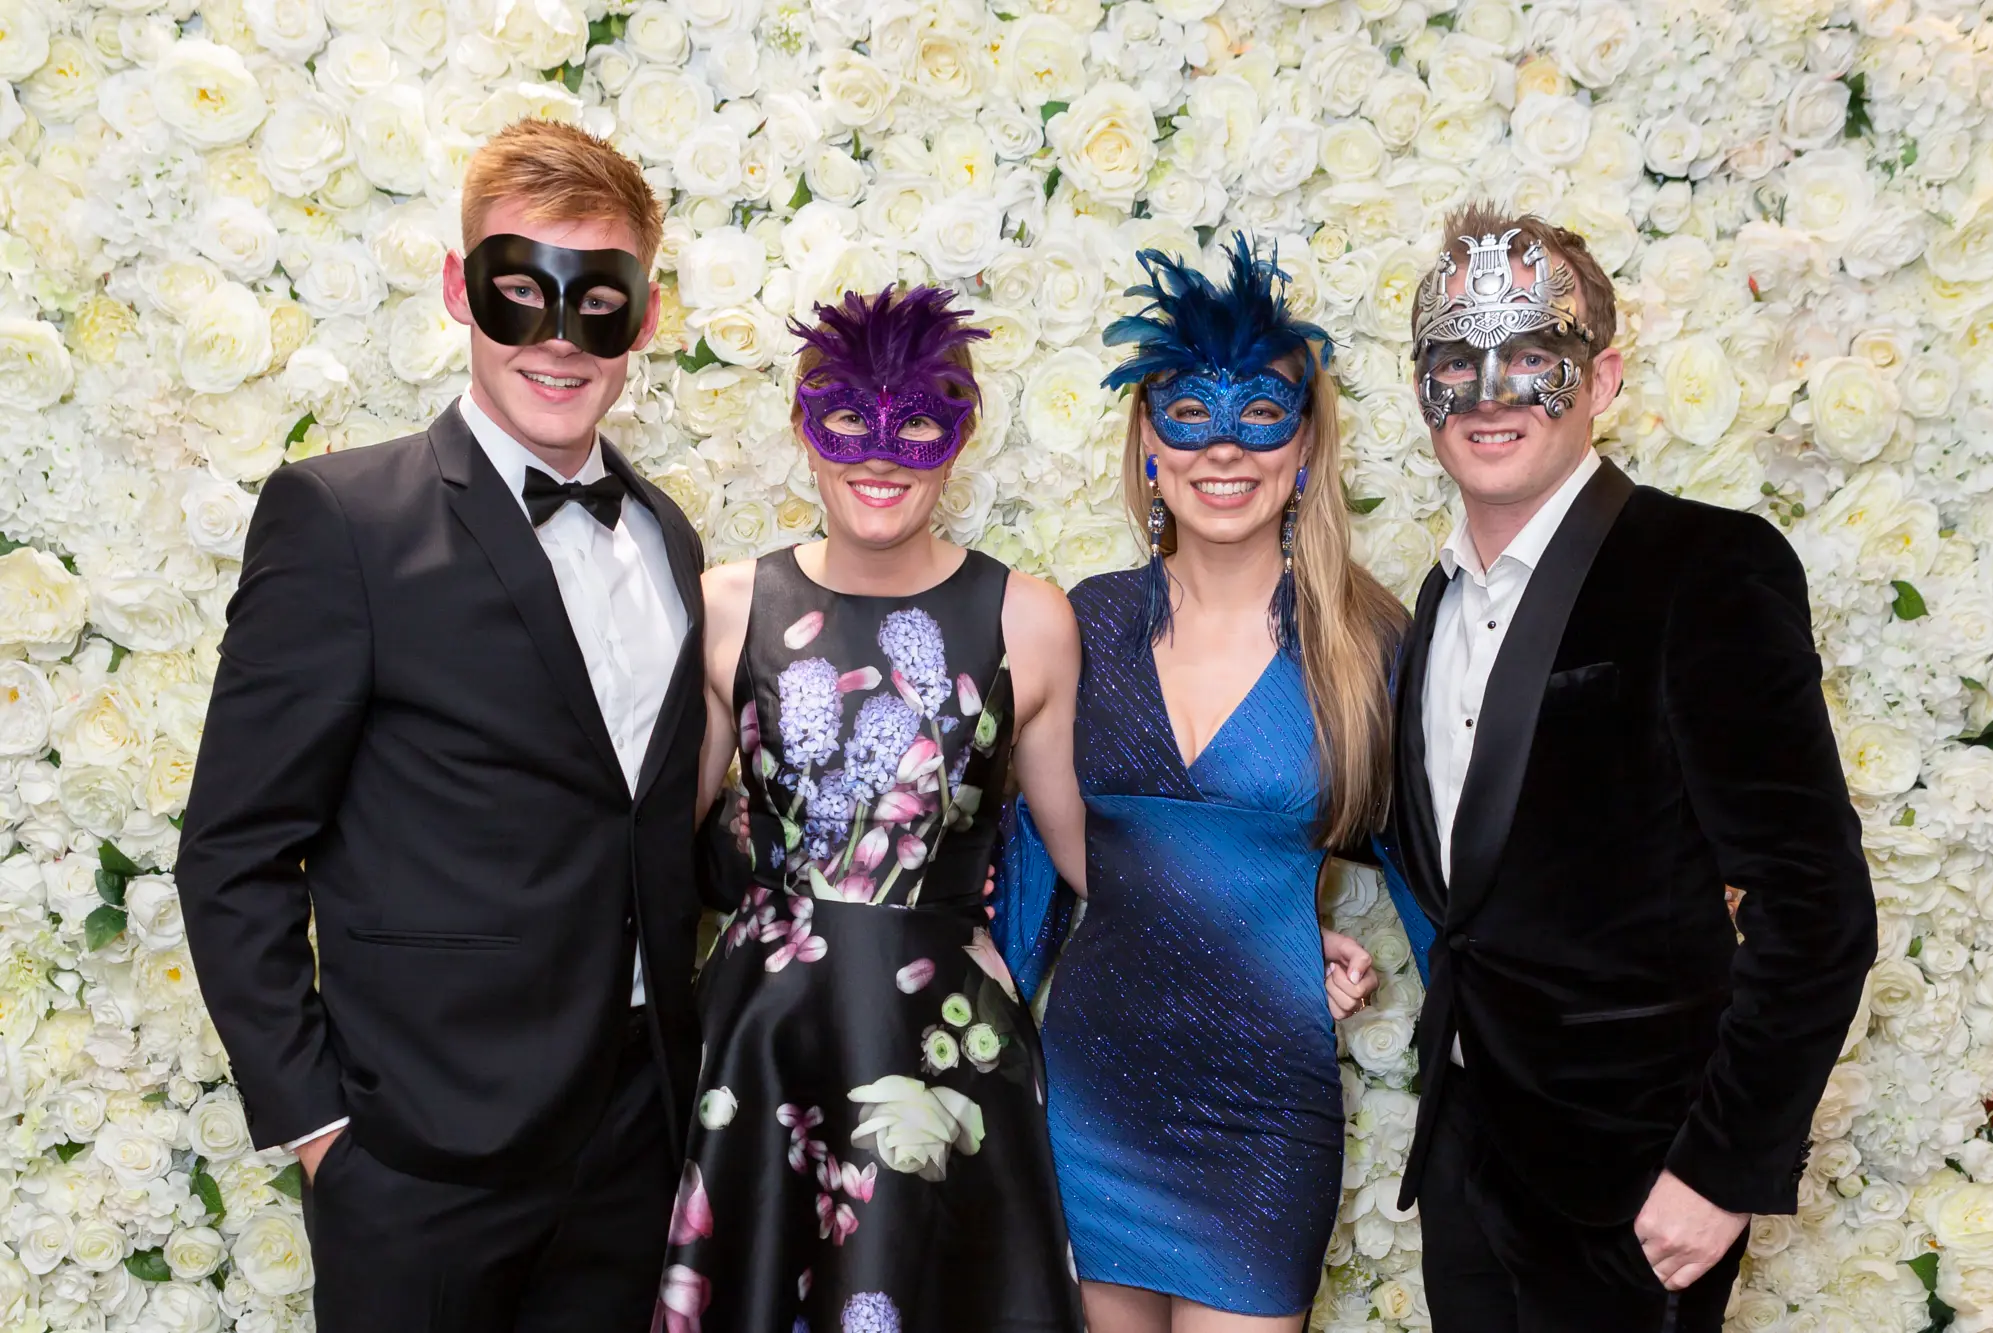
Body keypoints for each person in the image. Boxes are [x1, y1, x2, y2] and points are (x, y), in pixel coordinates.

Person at [177, 120, 706, 1332]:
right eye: (523, 295)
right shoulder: (342, 520)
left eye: (598, 302)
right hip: (420, 1164)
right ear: (462, 291)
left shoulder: (666, 538)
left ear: (645, 315)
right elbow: (234, 850)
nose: (560, 341)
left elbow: (645, 824)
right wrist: (326, 1136)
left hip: (633, 1139)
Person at [1384, 203, 1876, 1332]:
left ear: (1600, 377)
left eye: (1532, 358)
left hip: (1636, 1182)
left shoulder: (1702, 565)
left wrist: (1716, 1173)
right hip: (1467, 1160)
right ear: (1420, 385)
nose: (1490, 393)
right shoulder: (1436, 599)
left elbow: (1817, 909)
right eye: (1454, 360)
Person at [659, 285, 1088, 1333]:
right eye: (848, 418)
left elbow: (1086, 853)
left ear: (961, 437)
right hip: (766, 1039)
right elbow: (655, 844)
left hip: (941, 1046)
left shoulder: (1027, 617)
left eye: (920, 421)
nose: (880, 453)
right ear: (806, 428)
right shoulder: (727, 606)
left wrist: (1270, 927)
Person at [1011, 238, 1404, 1333]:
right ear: (1145, 442)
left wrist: (1289, 922)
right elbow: (1032, 857)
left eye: (1261, 414)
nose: (1223, 447)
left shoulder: (1365, 642)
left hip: (1260, 1116)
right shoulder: (1082, 622)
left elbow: (1436, 864)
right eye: (1188, 412)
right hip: (1092, 1095)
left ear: (1306, 444)